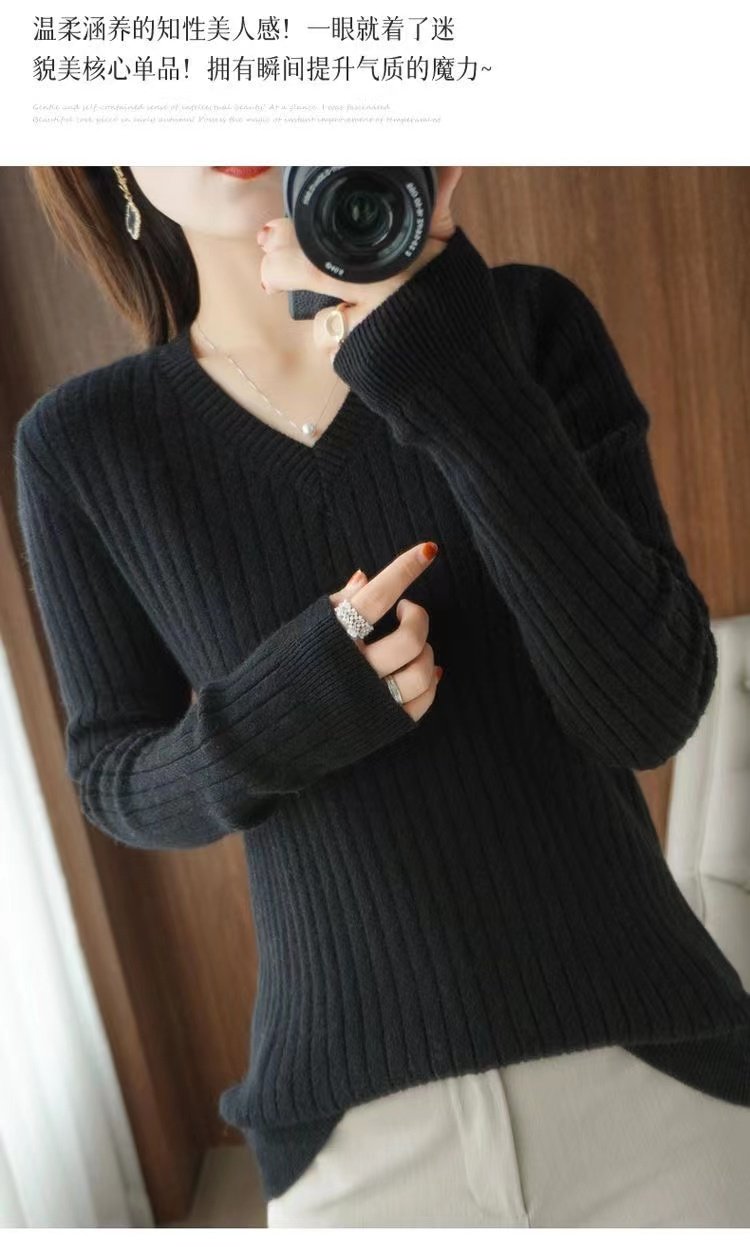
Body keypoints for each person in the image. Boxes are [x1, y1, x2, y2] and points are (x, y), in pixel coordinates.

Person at [14, 166, 750, 1228]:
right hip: (353, 1141)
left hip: (657, 1082)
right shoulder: (82, 445)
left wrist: (446, 363)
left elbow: (649, 709)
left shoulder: (524, 324)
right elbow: (112, 777)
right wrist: (287, 709)